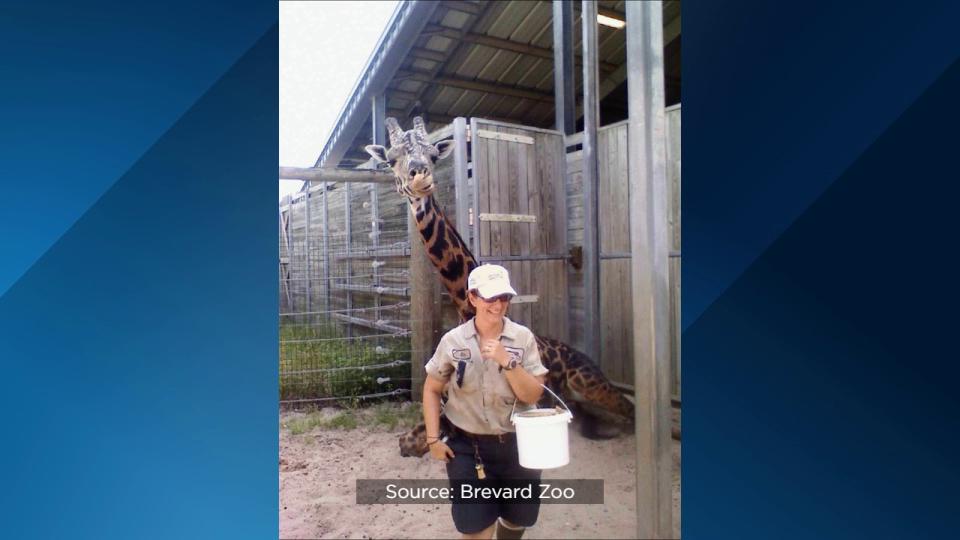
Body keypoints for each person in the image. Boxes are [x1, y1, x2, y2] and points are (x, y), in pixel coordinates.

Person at [422, 264, 548, 540]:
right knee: (476, 529)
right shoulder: (453, 341)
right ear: (473, 298)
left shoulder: (522, 338)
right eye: (491, 297)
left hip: (518, 446)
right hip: (467, 448)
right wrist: (433, 440)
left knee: (517, 520)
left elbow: (532, 395)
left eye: (504, 297)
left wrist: (508, 362)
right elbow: (432, 389)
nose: (499, 305)